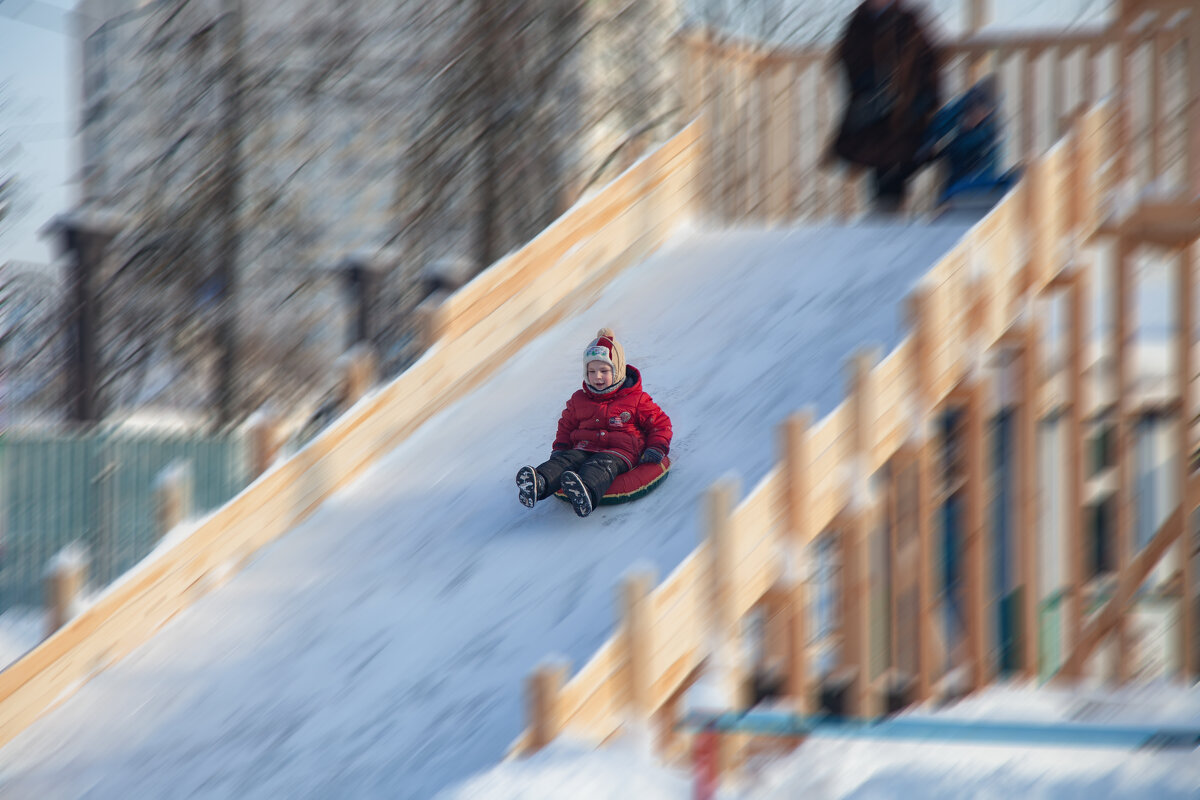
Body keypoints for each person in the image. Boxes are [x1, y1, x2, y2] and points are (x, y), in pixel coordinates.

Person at [516, 327, 672, 518]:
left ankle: (586, 492)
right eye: (591, 371)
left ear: (618, 370)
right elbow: (566, 426)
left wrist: (656, 446)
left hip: (619, 452)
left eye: (604, 370)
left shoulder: (636, 399)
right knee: (567, 460)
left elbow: (660, 423)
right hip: (584, 446)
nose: (597, 376)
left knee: (601, 465)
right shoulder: (579, 399)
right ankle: (540, 483)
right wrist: (561, 447)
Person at [829, 0, 941, 213]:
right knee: (882, 166)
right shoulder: (857, 22)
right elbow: (845, 56)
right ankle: (887, 215)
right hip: (873, 111)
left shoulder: (909, 21)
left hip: (907, 110)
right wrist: (865, 83)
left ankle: (905, 212)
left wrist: (923, 99)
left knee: (907, 160)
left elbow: (928, 61)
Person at [920, 76, 1019, 207]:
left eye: (977, 116)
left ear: (987, 112)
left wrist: (942, 150)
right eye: (969, 115)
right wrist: (930, 141)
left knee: (958, 189)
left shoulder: (992, 133)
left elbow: (982, 166)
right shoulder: (960, 107)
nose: (971, 120)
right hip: (956, 171)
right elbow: (940, 121)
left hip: (976, 176)